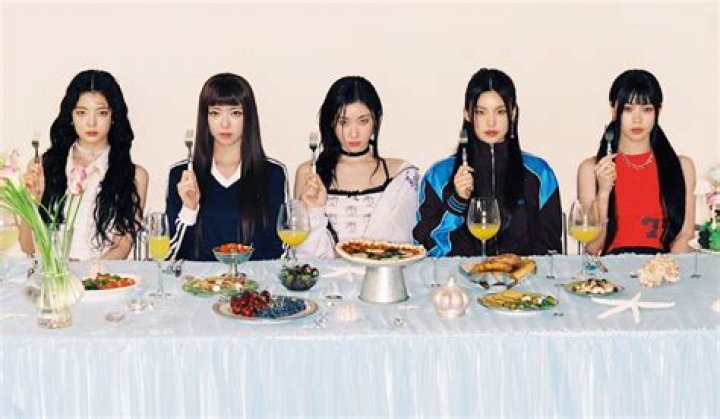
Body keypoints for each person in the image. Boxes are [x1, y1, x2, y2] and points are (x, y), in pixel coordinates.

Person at [414, 68, 562, 256]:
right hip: (457, 275)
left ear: (513, 113)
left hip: (523, 274)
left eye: (500, 111)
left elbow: (551, 251)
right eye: (481, 112)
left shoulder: (539, 174)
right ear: (467, 114)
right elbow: (426, 249)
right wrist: (457, 201)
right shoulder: (439, 175)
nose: (491, 122)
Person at [21, 69, 148, 259]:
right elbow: (27, 248)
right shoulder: (41, 168)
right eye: (81, 113)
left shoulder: (135, 176)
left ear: (113, 116)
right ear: (71, 117)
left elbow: (122, 248)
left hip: (101, 275)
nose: (91, 122)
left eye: (102, 113)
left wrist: (89, 274)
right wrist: (31, 202)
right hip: (49, 274)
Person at [294, 76, 419, 258]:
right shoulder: (310, 173)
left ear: (376, 121)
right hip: (324, 276)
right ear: (331, 123)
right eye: (343, 122)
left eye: (363, 121)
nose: (354, 133)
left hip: (384, 275)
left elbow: (404, 249)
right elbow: (301, 252)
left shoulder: (401, 174)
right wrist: (314, 209)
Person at [166, 73, 287, 261]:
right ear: (205, 118)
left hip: (255, 279)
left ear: (249, 117)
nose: (224, 123)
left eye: (235, 113)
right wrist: (189, 209)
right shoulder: (183, 175)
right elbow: (167, 255)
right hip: (196, 279)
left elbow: (281, 249)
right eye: (215, 113)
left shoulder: (273, 174)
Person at [577, 69, 696, 254]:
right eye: (628, 109)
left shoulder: (682, 167)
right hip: (612, 269)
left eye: (647, 109)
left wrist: (664, 266)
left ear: (658, 111)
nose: (637, 119)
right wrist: (604, 193)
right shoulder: (591, 169)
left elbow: (684, 235)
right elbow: (592, 247)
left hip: (663, 266)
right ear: (613, 110)